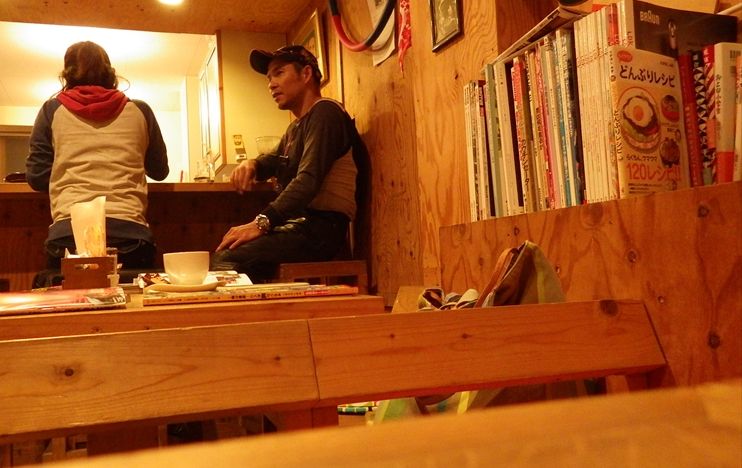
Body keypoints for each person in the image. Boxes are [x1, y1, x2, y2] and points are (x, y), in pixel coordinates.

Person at [211, 45, 365, 282]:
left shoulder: (325, 113)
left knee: (227, 259)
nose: (271, 84)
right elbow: (275, 158)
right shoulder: (296, 127)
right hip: (302, 226)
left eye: (279, 73)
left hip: (323, 229)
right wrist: (253, 164)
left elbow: (308, 181)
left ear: (306, 74)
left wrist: (261, 223)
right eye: (269, 78)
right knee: (229, 252)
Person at [26, 41, 169, 273]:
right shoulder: (140, 110)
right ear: (110, 72)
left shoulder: (51, 110)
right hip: (130, 235)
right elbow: (160, 171)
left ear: (67, 74)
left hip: (69, 234)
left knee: (71, 297)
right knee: (130, 297)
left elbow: (37, 177)